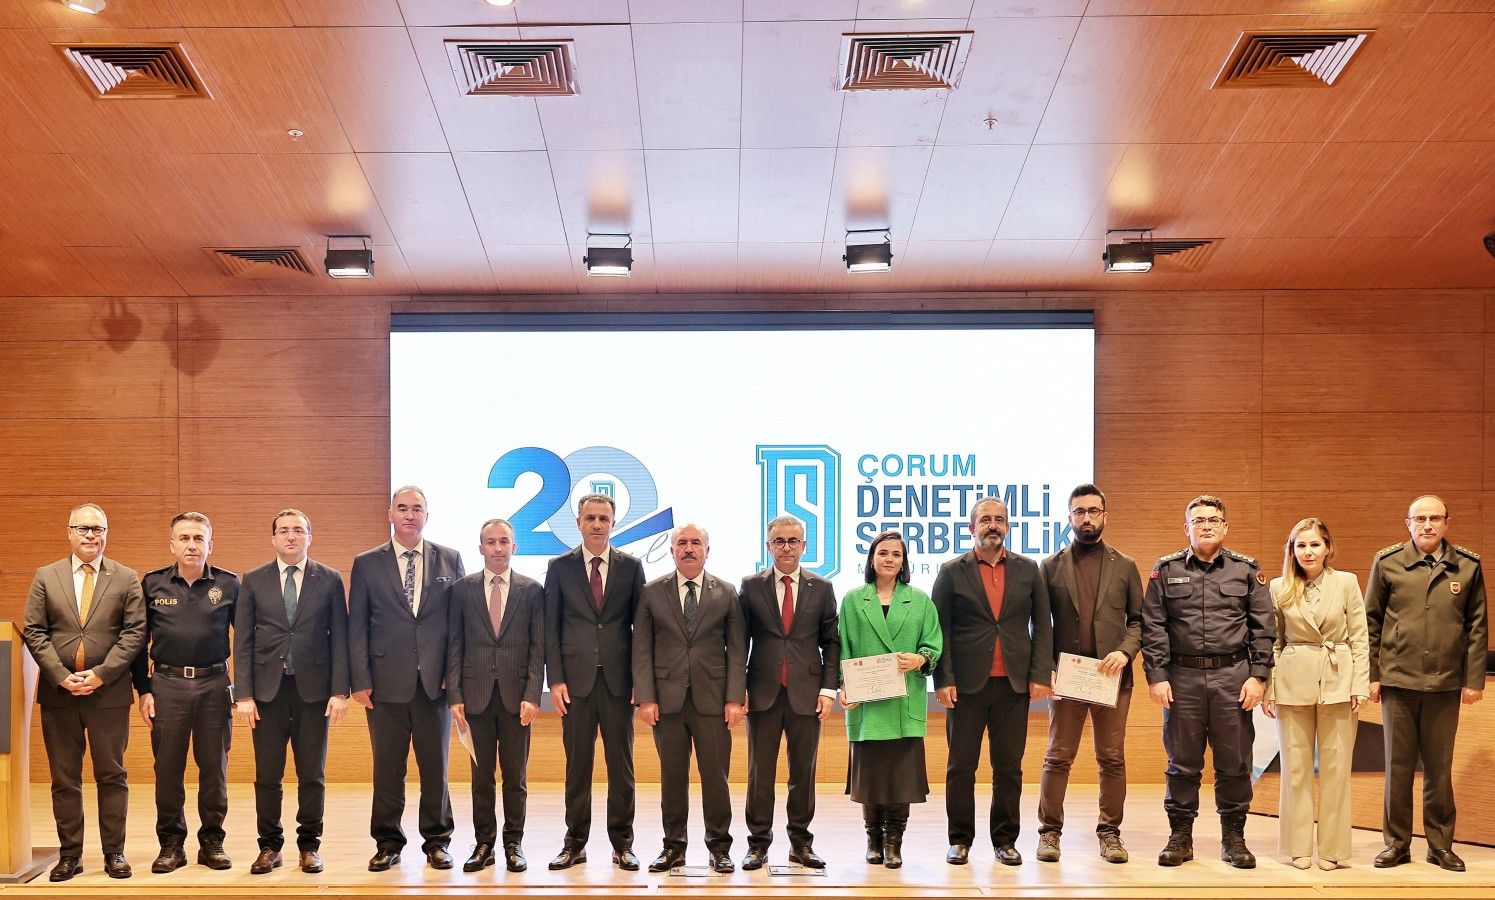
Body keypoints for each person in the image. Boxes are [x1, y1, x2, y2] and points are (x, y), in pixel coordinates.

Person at [1142, 494, 1273, 869]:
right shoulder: (1165, 569)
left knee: (1234, 761)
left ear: (1225, 527)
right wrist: (1157, 675)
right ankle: (1180, 838)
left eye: (1213, 519)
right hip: (1181, 679)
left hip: (1233, 678)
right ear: (1187, 528)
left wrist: (1259, 676)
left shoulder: (1246, 570)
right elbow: (1153, 626)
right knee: (1182, 763)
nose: (1206, 525)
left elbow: (1264, 628)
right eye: (1198, 520)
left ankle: (1234, 840)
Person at [22, 502, 146, 882]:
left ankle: (114, 853)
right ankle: (70, 855)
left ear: (106, 533)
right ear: (69, 533)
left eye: (98, 529)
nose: (91, 535)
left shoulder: (126, 577)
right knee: (65, 779)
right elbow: (34, 631)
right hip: (59, 695)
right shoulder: (46, 576)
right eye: (83, 528)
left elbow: (135, 633)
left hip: (108, 694)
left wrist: (102, 674)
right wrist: (60, 676)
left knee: (112, 775)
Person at [1365, 495, 1487, 872]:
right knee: (1397, 769)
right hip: (1398, 682)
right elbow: (1370, 622)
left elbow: (1477, 626)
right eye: (1420, 519)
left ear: (1447, 523)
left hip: (1445, 684)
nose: (1428, 525)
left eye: (1435, 518)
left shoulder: (1467, 566)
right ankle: (1397, 844)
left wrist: (1473, 679)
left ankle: (1440, 845)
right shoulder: (1387, 562)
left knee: (1439, 769)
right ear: (1408, 524)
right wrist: (1371, 675)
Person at [349, 486, 465, 872]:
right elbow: (357, 625)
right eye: (402, 508)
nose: (409, 515)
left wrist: (454, 677)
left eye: (417, 509)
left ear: (427, 516)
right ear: (390, 514)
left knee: (436, 769)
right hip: (384, 685)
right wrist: (359, 680)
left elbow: (459, 625)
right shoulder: (367, 563)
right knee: (387, 770)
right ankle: (387, 842)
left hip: (435, 684)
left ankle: (437, 842)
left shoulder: (450, 558)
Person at [932, 498, 1053, 866]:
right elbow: (940, 630)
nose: (993, 525)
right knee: (961, 767)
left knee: (1008, 768)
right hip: (966, 685)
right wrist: (943, 678)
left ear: (1008, 527)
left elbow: (1042, 625)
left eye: (999, 519)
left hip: (1014, 685)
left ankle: (1005, 841)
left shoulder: (1028, 568)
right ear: (972, 528)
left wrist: (1039, 673)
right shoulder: (951, 571)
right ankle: (959, 840)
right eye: (985, 520)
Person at [233, 508, 349, 875]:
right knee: (268, 775)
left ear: (309, 537)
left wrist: (340, 691)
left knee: (312, 773)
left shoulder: (329, 579)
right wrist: (244, 694)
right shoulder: (254, 579)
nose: (291, 536)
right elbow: (243, 641)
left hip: (314, 693)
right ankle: (270, 846)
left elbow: (340, 638)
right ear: (273, 538)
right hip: (266, 693)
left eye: (298, 530)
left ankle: (309, 846)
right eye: (283, 531)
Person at [1036, 485, 1143, 865]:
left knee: (1111, 759)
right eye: (1079, 511)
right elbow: (1040, 625)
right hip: (1068, 679)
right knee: (1057, 757)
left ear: (1104, 516)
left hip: (1111, 678)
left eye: (1093, 511)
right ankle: (1049, 833)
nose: (1086, 518)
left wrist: (1124, 652)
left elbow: (1140, 621)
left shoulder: (1125, 565)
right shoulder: (1050, 566)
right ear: (1069, 518)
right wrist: (1046, 669)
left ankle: (1110, 833)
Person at [633, 524, 747, 874]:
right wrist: (646, 698)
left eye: (696, 543)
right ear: (672, 551)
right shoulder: (652, 592)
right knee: (672, 778)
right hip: (666, 702)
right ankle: (673, 847)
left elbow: (737, 649)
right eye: (681, 543)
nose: (688, 548)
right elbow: (642, 648)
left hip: (713, 701)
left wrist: (734, 698)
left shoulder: (726, 592)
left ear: (707, 551)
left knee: (716, 778)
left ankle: (720, 847)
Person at [543, 493, 645, 871]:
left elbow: (641, 628)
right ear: (579, 523)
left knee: (621, 768)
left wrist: (640, 680)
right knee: (578, 767)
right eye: (590, 518)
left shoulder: (631, 567)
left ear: (613, 524)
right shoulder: (559, 567)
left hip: (619, 684)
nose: (597, 524)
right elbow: (551, 627)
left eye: (604, 518)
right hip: (576, 685)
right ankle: (575, 843)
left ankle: (623, 844)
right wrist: (556, 679)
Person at [134, 512, 239, 872]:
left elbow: (247, 641)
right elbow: (137, 642)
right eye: (184, 538)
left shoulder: (229, 584)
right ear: (172, 545)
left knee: (214, 769)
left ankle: (212, 842)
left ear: (210, 545)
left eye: (198, 538)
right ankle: (171, 845)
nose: (191, 545)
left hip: (214, 684)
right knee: (167, 769)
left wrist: (244, 690)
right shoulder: (152, 584)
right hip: (167, 685)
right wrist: (144, 690)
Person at [1261, 517, 1368, 871]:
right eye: (1301, 545)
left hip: (1339, 681)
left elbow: (1360, 638)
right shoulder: (1278, 586)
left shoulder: (1347, 582)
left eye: (1314, 544)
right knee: (1295, 768)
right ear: (1292, 550)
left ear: (1327, 548)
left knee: (1337, 769)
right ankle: (1298, 847)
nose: (1308, 551)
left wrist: (1359, 684)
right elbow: (1273, 643)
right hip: (1292, 682)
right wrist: (1271, 688)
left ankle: (1333, 849)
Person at [739, 515, 839, 871]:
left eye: (792, 541)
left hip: (807, 694)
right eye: (778, 541)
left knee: (803, 773)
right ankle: (758, 844)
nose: (786, 547)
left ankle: (800, 843)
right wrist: (738, 690)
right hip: (762, 693)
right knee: (759, 773)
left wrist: (828, 690)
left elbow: (831, 643)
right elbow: (739, 641)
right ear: (769, 546)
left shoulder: (821, 588)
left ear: (804, 546)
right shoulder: (751, 586)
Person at [839, 530, 942, 870]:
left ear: (903, 562)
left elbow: (933, 643)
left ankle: (894, 842)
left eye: (896, 554)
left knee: (900, 781)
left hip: (904, 701)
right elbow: (843, 647)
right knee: (870, 779)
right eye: (883, 553)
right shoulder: (854, 600)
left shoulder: (920, 600)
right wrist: (844, 686)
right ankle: (873, 839)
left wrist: (920, 659)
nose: (889, 559)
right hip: (866, 703)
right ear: (871, 559)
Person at [446, 519, 545, 874]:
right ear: (481, 548)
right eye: (491, 542)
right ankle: (484, 844)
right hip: (475, 698)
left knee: (515, 777)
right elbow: (454, 644)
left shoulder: (532, 590)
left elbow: (538, 646)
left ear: (514, 547)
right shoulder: (462, 590)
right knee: (481, 778)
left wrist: (533, 694)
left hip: (518, 700)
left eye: (504, 541)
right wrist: (454, 694)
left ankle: (513, 843)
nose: (498, 548)